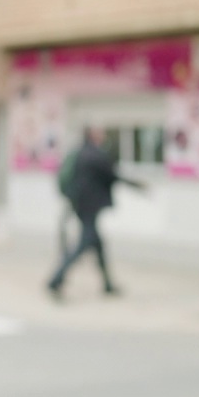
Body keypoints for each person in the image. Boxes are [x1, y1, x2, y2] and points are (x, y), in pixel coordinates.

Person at [48, 127, 144, 299]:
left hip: (81, 205)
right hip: (89, 207)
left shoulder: (81, 153)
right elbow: (113, 175)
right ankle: (56, 279)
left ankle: (107, 284)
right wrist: (136, 185)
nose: (104, 137)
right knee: (83, 244)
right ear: (93, 136)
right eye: (100, 134)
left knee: (98, 245)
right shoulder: (94, 155)